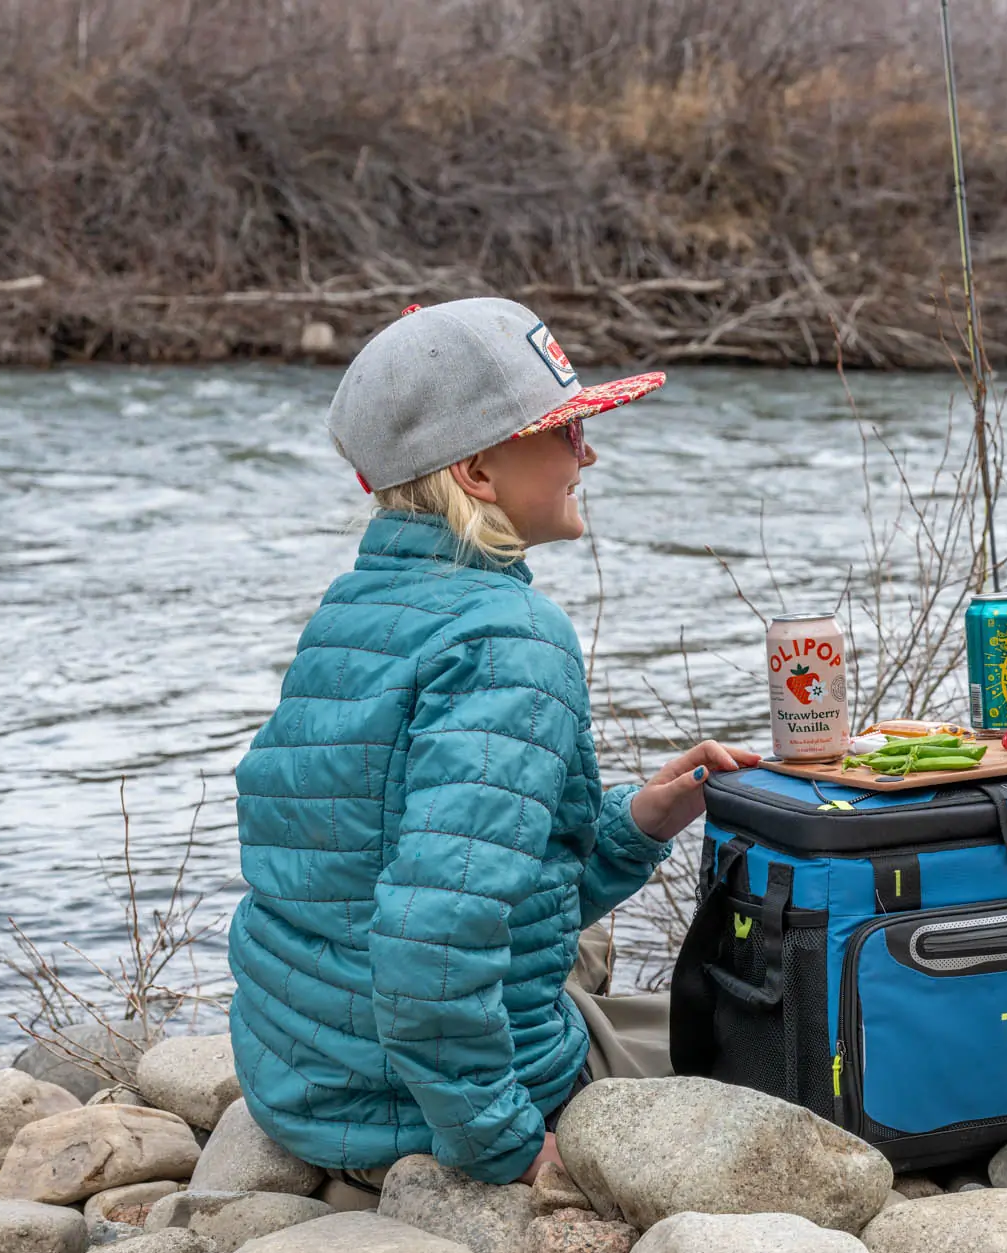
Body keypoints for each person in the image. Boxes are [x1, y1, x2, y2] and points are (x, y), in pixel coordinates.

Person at [227, 297, 760, 1194]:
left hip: (302, 1074)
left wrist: (635, 823)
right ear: (477, 472)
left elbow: (377, 876)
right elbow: (431, 939)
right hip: (413, 1109)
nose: (588, 455)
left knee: (590, 952)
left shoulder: (355, 608)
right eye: (567, 432)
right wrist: (506, 1144)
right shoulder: (512, 636)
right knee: (783, 1060)